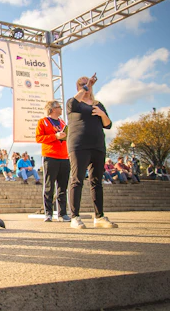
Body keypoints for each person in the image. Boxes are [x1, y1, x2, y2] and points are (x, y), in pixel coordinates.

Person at [66, 73, 117, 229]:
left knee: (97, 182)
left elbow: (108, 124)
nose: (85, 85)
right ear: (78, 87)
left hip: (97, 145)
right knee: (77, 180)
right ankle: (75, 217)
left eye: (86, 84)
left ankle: (99, 216)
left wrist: (102, 114)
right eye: (82, 84)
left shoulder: (98, 104)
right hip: (79, 145)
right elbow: (73, 105)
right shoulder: (73, 102)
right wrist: (87, 86)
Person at [36, 100, 70, 222]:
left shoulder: (62, 122)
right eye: (59, 107)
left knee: (62, 187)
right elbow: (38, 138)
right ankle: (48, 213)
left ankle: (62, 213)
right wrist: (55, 136)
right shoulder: (43, 121)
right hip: (50, 156)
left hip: (64, 157)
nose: (61, 109)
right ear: (52, 109)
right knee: (49, 186)